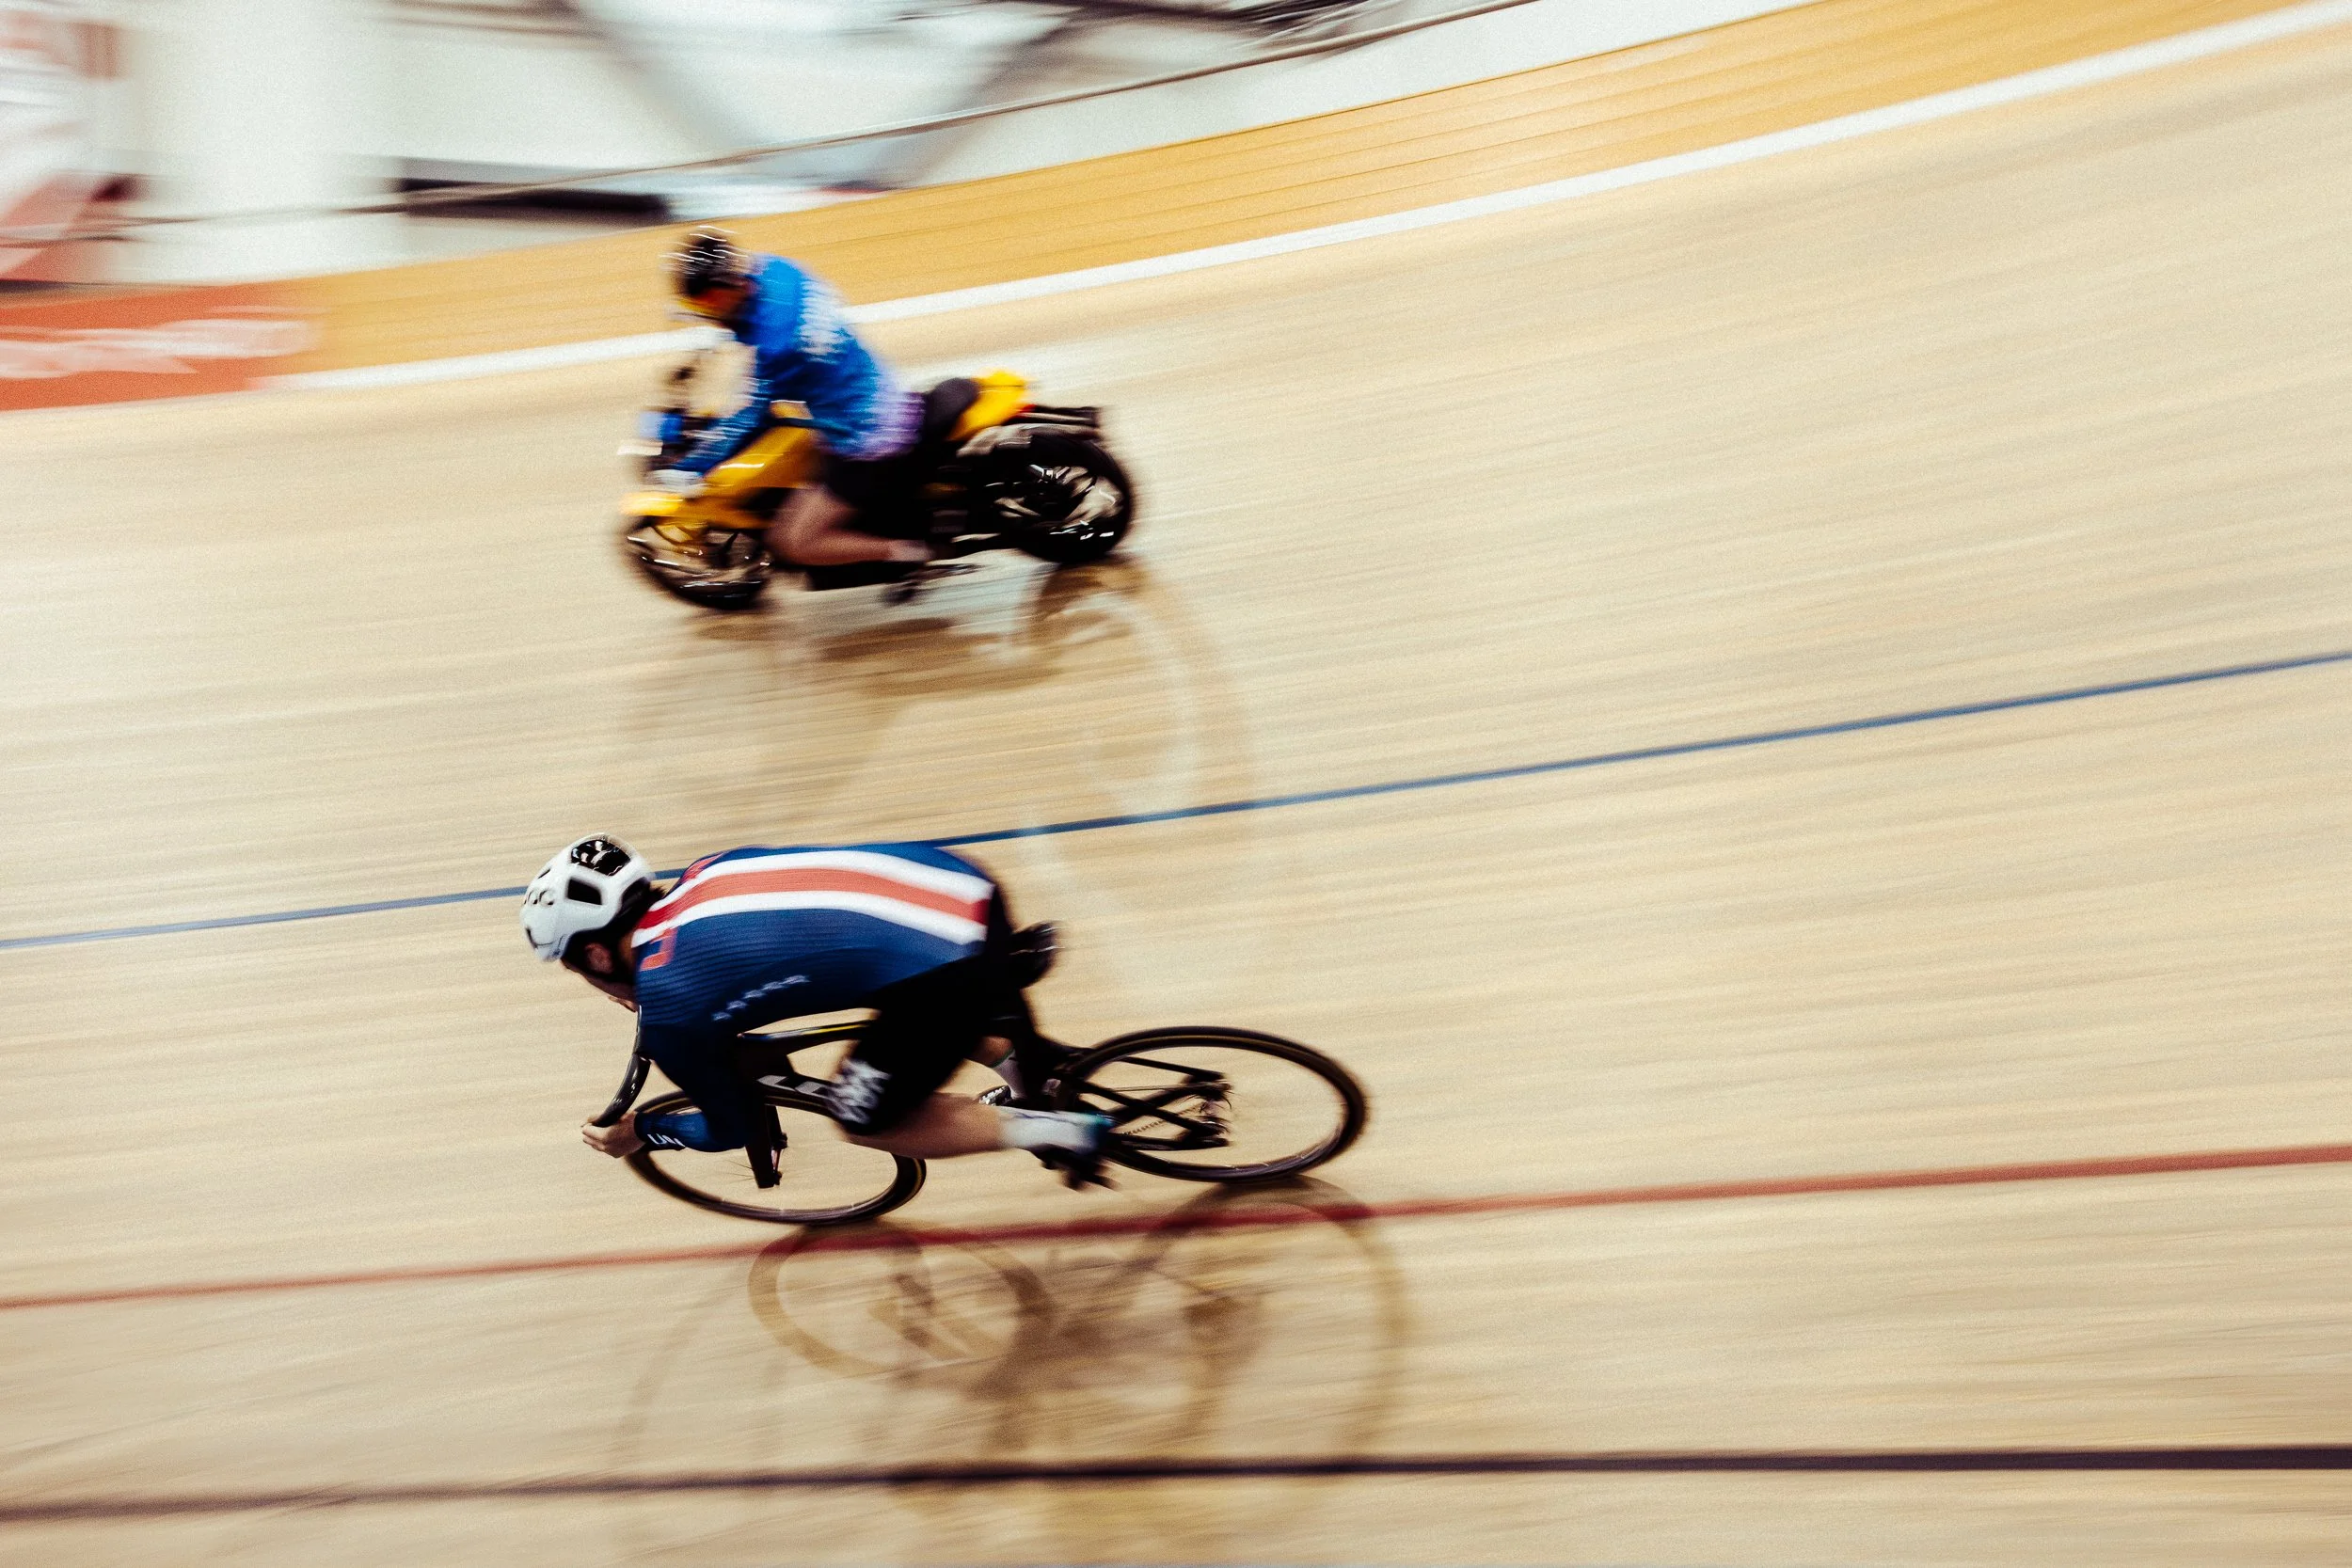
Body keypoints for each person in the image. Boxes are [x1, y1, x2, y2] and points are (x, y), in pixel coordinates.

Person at [521, 833, 1112, 1186]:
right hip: (962, 883)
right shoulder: (707, 869)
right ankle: (1029, 1066)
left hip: (946, 972)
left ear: (597, 954)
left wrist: (645, 1131)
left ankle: (1066, 1131)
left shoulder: (672, 1007)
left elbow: (734, 1127)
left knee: (867, 1119)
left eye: (575, 968)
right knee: (896, 1000)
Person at [649, 226, 932, 572]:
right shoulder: (777, 269)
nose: (703, 311)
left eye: (703, 302)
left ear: (720, 292)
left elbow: (752, 414)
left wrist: (689, 467)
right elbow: (754, 342)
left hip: (869, 436)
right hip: (876, 389)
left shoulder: (779, 345)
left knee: (794, 541)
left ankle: (910, 553)